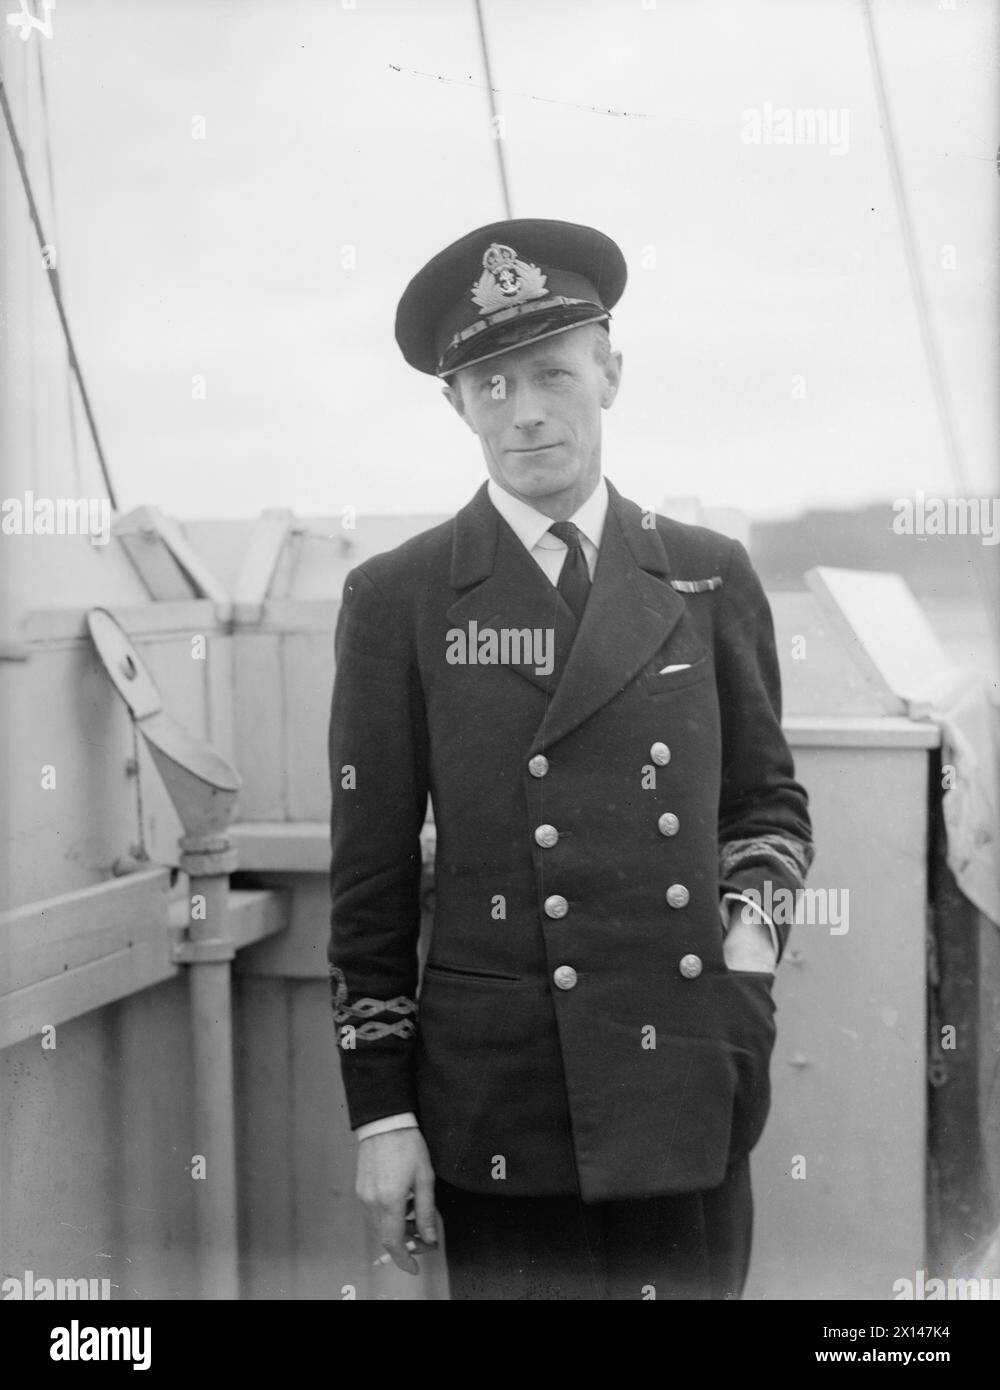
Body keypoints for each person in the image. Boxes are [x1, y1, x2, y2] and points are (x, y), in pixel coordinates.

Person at [327, 218, 814, 1300]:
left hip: (686, 1070)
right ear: (455, 404)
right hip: (504, 1097)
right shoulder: (397, 599)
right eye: (489, 384)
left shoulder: (706, 575)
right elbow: (365, 883)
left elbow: (767, 802)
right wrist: (383, 1112)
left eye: (551, 372)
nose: (525, 411)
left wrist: (748, 942)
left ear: (610, 371)